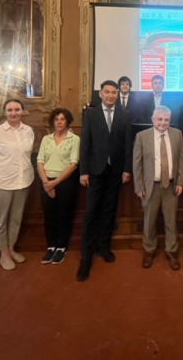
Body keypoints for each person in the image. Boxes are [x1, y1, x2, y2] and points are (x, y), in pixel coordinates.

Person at [77, 80, 133, 282]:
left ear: (117, 95)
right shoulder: (91, 114)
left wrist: (127, 168)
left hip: (115, 171)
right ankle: (86, 257)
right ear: (100, 94)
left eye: (113, 92)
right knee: (91, 212)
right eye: (107, 92)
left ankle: (103, 247)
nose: (110, 95)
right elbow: (85, 143)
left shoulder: (124, 115)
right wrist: (83, 171)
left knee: (109, 210)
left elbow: (128, 144)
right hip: (94, 171)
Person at [0, 99, 35, 271]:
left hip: (23, 181)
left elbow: (27, 155)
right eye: (10, 110)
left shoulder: (28, 131)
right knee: (0, 220)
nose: (13, 113)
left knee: (16, 218)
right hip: (1, 182)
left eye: (17, 109)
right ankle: (3, 253)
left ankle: (11, 248)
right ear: (4, 112)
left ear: (22, 111)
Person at [133, 106, 183, 270]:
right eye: (160, 119)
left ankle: (171, 251)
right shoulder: (142, 136)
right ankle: (149, 250)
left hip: (171, 185)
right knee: (149, 220)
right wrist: (139, 186)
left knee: (171, 220)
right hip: (151, 186)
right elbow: (137, 164)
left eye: (166, 120)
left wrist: (180, 182)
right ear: (153, 119)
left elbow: (181, 160)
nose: (163, 123)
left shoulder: (177, 134)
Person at [36, 108, 80, 265]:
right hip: (46, 181)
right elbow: (40, 161)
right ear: (52, 122)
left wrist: (55, 183)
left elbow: (73, 164)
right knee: (49, 216)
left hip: (65, 182)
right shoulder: (46, 139)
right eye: (56, 119)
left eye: (62, 119)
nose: (59, 122)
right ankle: (51, 246)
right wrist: (46, 183)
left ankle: (61, 247)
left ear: (67, 121)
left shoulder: (74, 139)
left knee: (64, 215)